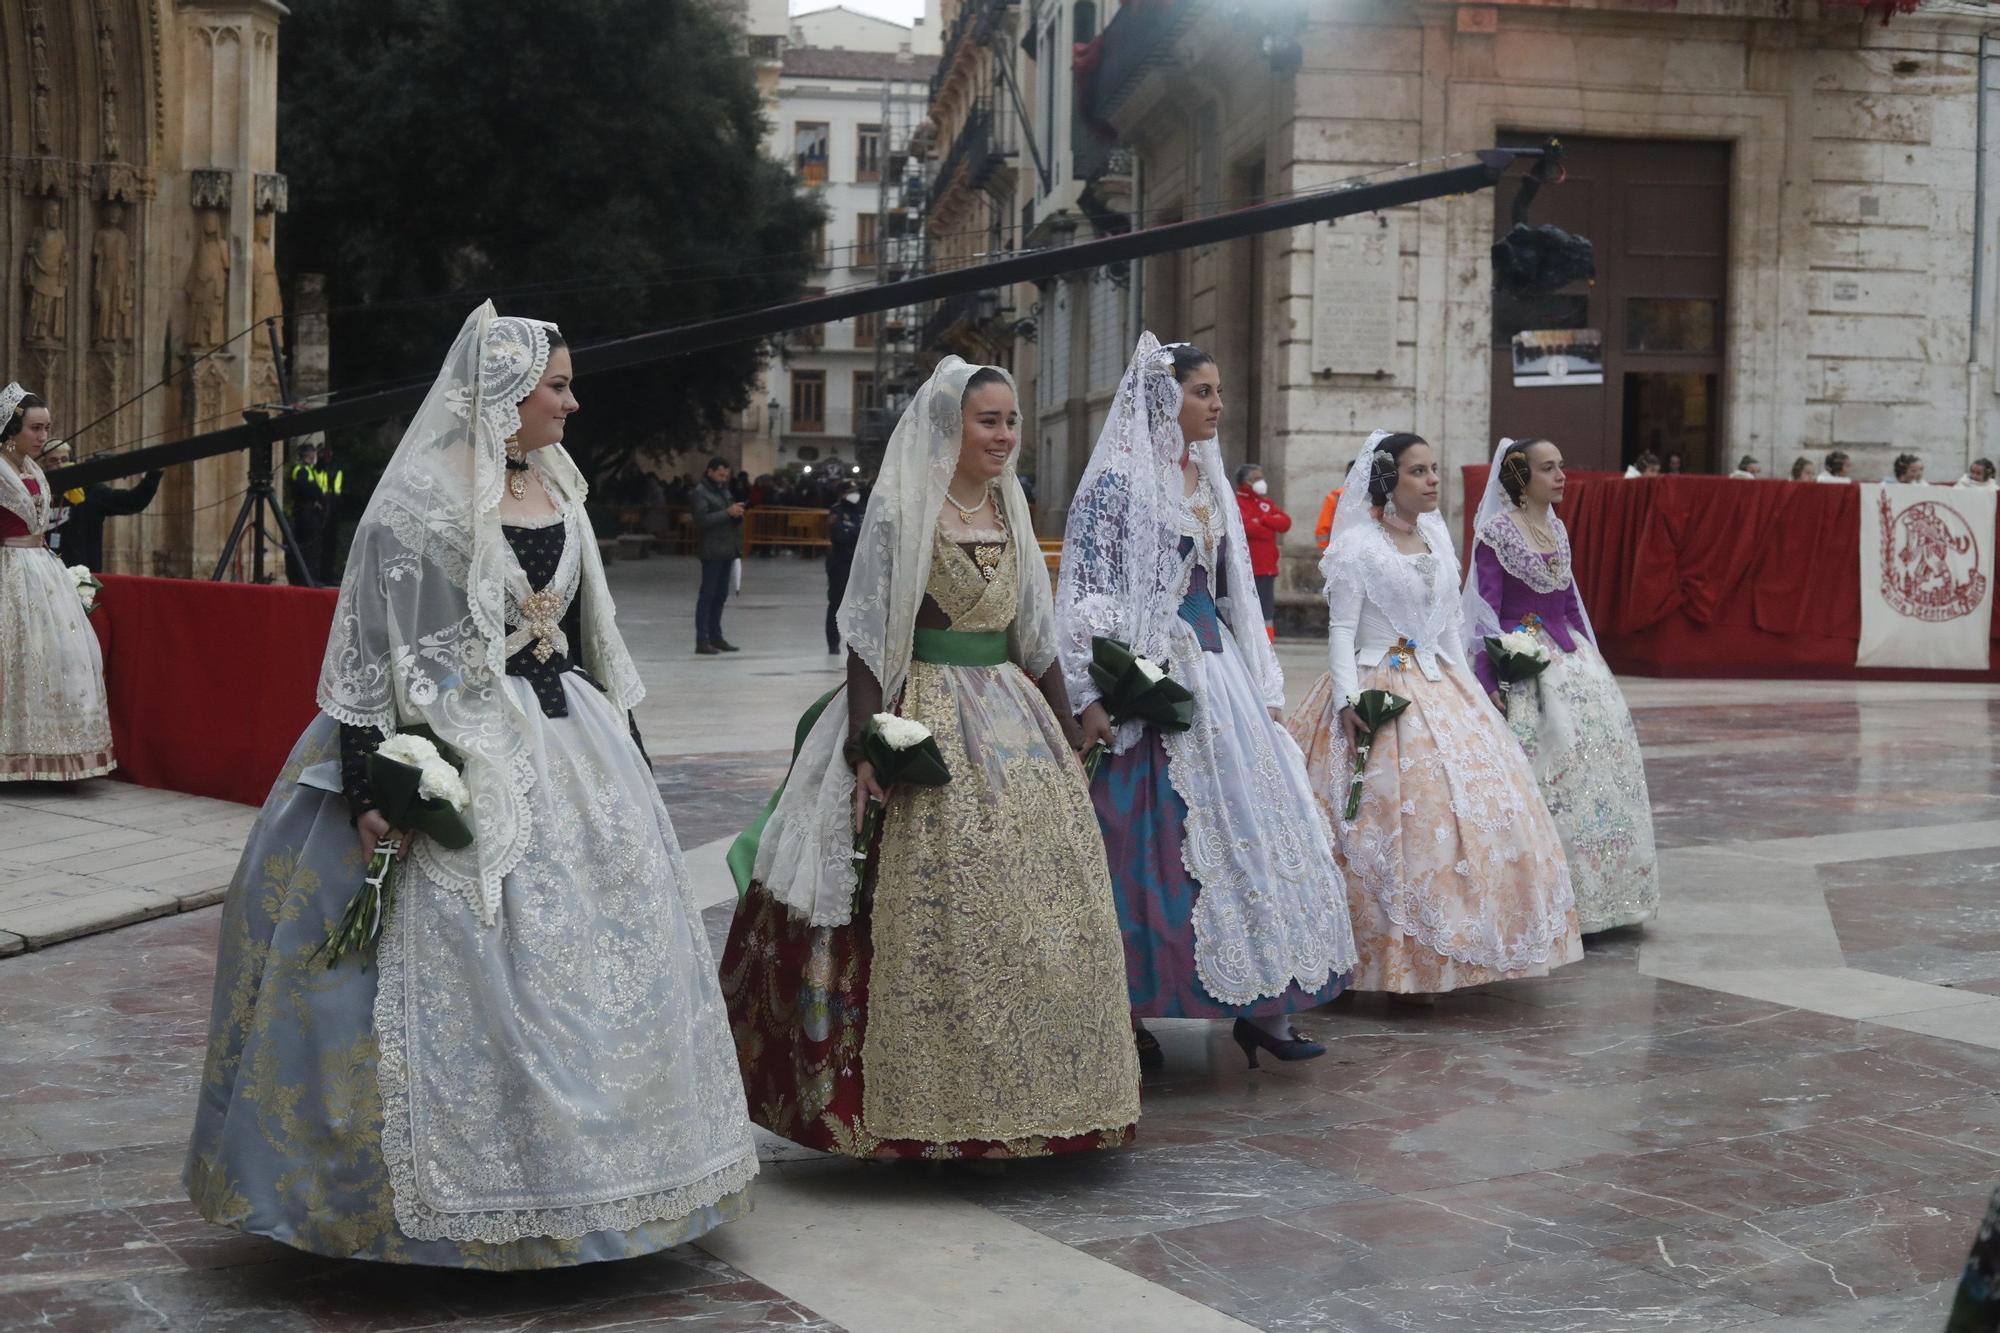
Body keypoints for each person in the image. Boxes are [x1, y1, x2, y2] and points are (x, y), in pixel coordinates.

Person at [184, 305, 757, 1267]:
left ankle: (608, 1182)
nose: (572, 401)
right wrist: (373, 790)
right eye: (558, 385)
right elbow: (372, 656)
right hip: (451, 748)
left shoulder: (560, 491)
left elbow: (588, 638)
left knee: (600, 965)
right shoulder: (418, 503)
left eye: (570, 384)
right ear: (505, 393)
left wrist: (633, 752)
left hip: (570, 751)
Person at [721, 356, 1140, 1159]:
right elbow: (872, 635)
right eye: (990, 421)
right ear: (951, 426)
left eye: (1012, 421)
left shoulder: (1012, 505)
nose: (1005, 435)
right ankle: (918, 1104)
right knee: (930, 897)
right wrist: (865, 740)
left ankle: (1046, 1095)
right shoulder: (905, 509)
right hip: (928, 709)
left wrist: (1064, 727)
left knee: (1040, 898)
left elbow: (1038, 634)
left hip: (1011, 714)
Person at [1059, 336, 1356, 1068]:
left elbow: (1236, 594)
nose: (1217, 404)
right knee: (1138, 840)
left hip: (1214, 668)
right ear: (1166, 397)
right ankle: (1122, 1010)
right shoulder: (1119, 483)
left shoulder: (1209, 478)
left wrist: (1266, 688)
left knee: (1251, 826)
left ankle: (1263, 1007)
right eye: (1202, 391)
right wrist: (1092, 689)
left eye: (1219, 391)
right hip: (1146, 674)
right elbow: (1085, 596)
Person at [1287, 431, 1581, 1000]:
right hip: (1378, 680)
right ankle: (1381, 959)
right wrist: (1348, 703)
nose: (1431, 481)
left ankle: (1460, 950)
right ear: (1387, 481)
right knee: (1383, 828)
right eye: (1417, 471)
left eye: (1433, 469)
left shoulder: (1437, 541)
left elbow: (1447, 627)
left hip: (1438, 683)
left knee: (1475, 816)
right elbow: (1342, 631)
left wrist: (1474, 700)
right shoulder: (1358, 548)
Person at [1464, 438, 1660, 934]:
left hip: (1573, 662)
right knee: (1551, 771)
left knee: (1602, 766)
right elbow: (1485, 612)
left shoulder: (1556, 527)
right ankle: (1552, 900)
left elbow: (1570, 602)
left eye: (1561, 466)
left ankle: (1611, 893)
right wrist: (1493, 674)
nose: (1561, 476)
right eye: (1548, 469)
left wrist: (1589, 658)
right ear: (1521, 477)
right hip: (1527, 664)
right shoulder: (1496, 534)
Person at [0, 384, 117, 782]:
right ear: (12, 428)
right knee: (12, 656)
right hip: (9, 568)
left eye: (47, 428)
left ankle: (50, 751)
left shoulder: (31, 470)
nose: (42, 437)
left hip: (41, 569)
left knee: (56, 656)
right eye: (35, 428)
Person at [52, 468, 163, 572]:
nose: (60, 465)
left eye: (64, 460)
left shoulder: (91, 492)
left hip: (82, 577)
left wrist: (153, 475)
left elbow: (132, 501)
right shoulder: (40, 493)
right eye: (53, 460)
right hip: (47, 572)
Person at [691, 455, 744, 655]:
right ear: (710, 471)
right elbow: (701, 520)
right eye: (720, 474)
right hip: (712, 551)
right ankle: (702, 640)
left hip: (727, 550)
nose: (723, 478)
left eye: (726, 475)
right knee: (707, 596)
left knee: (720, 596)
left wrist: (736, 513)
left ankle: (716, 636)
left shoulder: (723, 491)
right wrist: (727, 513)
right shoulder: (700, 493)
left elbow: (727, 514)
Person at [1234, 462, 1290, 643]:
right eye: (1257, 478)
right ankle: (1248, 641)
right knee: (1247, 608)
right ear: (1246, 481)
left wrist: (1263, 519)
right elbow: (1248, 528)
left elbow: (1284, 523)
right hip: (1248, 567)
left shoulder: (1266, 502)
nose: (1262, 482)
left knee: (1267, 610)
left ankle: (1267, 643)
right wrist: (1268, 524)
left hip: (1267, 566)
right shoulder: (1237, 501)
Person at [824, 481, 865, 654]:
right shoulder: (836, 511)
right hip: (841, 564)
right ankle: (833, 644)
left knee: (862, 605)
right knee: (836, 604)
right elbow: (840, 537)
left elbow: (871, 534)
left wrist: (853, 532)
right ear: (842, 494)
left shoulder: (864, 509)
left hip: (862, 565)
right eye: (850, 491)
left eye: (856, 490)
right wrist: (858, 532)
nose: (854, 494)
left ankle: (860, 643)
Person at [287, 443, 328, 585]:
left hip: (311, 511)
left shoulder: (309, 470)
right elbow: (307, 489)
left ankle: (310, 577)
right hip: (304, 512)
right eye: (313, 454)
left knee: (312, 547)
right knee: (306, 546)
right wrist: (316, 495)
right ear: (309, 455)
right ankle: (305, 578)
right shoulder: (300, 470)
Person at [1314, 484, 1343, 550]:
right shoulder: (1367, 498)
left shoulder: (1334, 497)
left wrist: (1324, 548)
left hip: (1335, 547)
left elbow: (1323, 527)